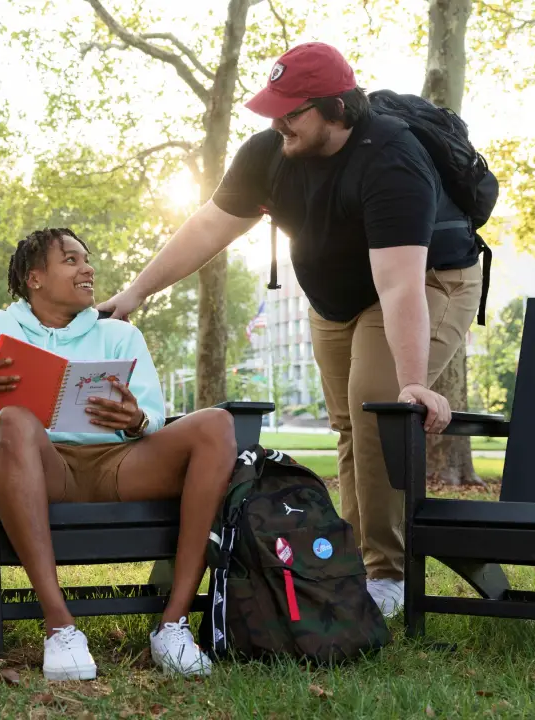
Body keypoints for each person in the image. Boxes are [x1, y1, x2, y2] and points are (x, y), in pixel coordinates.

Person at [98, 42, 484, 618]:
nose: (278, 121)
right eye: (273, 109)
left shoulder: (391, 160)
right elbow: (209, 226)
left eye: (292, 111)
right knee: (350, 428)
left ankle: (388, 575)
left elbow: (400, 283)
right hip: (335, 300)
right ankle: (357, 562)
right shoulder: (269, 153)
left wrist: (411, 384)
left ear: (337, 109)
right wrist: (136, 292)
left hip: (429, 282)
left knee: (379, 413)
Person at [0, 228, 237, 681]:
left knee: (217, 423)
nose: (87, 268)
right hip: (42, 467)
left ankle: (173, 625)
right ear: (34, 277)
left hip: (119, 465)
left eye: (87, 259)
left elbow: (153, 415)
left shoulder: (118, 335)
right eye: (70, 260)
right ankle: (60, 626)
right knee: (12, 419)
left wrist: (134, 417)